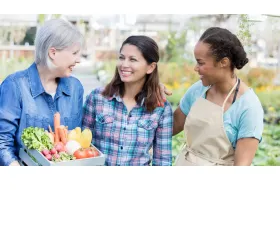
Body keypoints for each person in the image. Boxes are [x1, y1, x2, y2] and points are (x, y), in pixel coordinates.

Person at [172, 27, 264, 166]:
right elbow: (172, 126)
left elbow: (242, 166)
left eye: (201, 62)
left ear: (223, 62)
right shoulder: (198, 90)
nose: (196, 68)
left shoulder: (249, 107)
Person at [0, 19, 84, 166]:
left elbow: (75, 141)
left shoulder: (76, 88)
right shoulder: (15, 85)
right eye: (74, 53)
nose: (78, 60)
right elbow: (3, 142)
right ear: (53, 52)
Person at [82, 35, 173, 166]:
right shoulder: (97, 98)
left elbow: (163, 161)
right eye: (121, 58)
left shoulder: (161, 108)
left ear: (150, 67)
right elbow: (82, 148)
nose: (124, 65)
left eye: (133, 60)